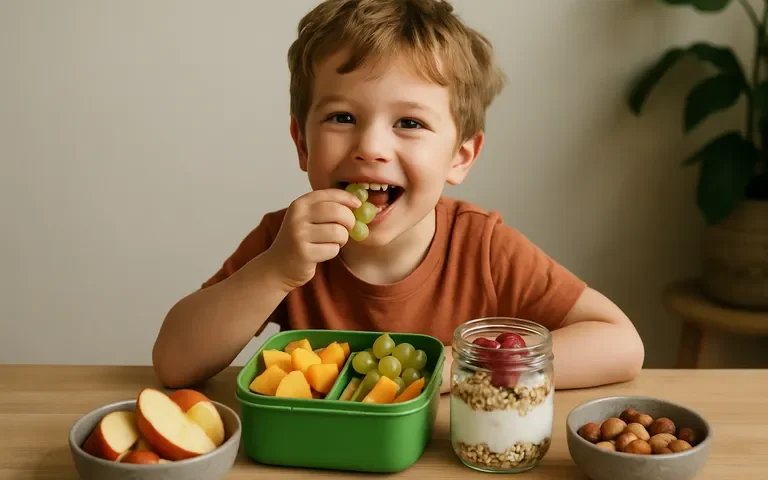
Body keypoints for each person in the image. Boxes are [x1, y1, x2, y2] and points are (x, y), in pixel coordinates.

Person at [152, 0, 644, 393]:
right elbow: (174, 363)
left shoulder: (484, 248)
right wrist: (274, 271)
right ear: (302, 144)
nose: (369, 148)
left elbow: (620, 344)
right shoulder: (284, 241)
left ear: (460, 156)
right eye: (342, 117)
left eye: (409, 123)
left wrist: (466, 368)